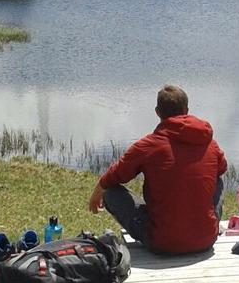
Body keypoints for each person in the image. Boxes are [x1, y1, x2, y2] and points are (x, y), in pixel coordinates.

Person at [88, 85, 227, 254]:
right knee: (218, 180)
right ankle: (205, 225)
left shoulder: (149, 145)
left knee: (110, 192)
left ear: (157, 112)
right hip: (206, 240)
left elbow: (116, 174)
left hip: (161, 242)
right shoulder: (209, 142)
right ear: (186, 110)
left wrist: (98, 190)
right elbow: (222, 169)